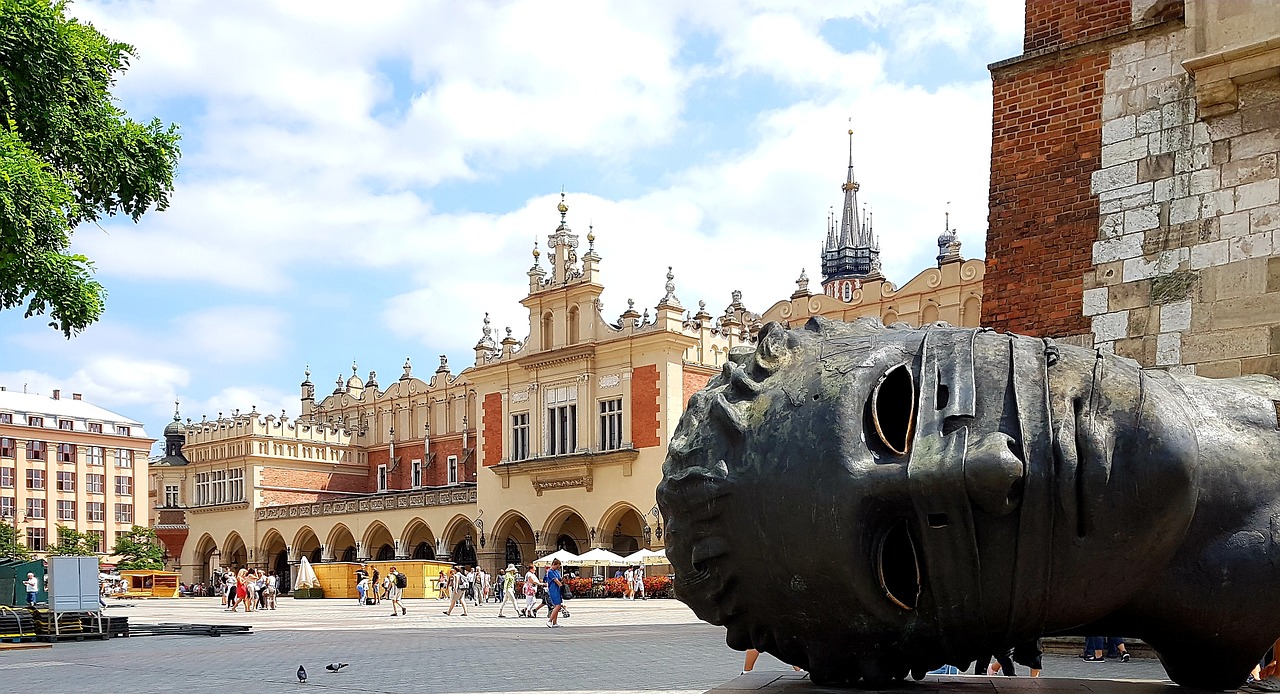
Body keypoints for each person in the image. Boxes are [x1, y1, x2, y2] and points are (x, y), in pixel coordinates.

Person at [545, 558, 566, 628]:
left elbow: (559, 579)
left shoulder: (556, 571)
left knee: (557, 606)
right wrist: (562, 586)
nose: (558, 568)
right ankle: (550, 620)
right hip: (553, 590)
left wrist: (564, 579)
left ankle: (555, 623)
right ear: (554, 564)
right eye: (557, 566)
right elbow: (556, 580)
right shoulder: (550, 571)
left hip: (557, 590)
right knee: (558, 605)